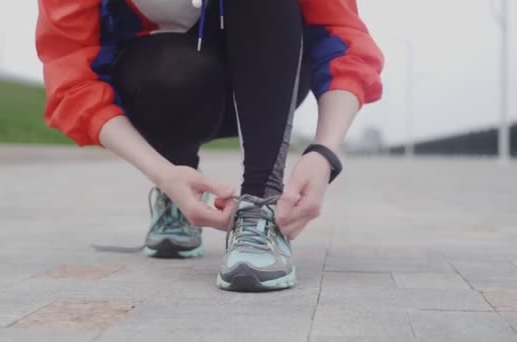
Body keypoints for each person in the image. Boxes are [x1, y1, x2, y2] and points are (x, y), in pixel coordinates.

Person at [36, 0, 383, 292]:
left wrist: (324, 152)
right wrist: (165, 174)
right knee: (170, 72)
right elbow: (73, 80)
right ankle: (177, 189)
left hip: (270, 71)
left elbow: (342, 35)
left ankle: (259, 205)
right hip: (166, 78)